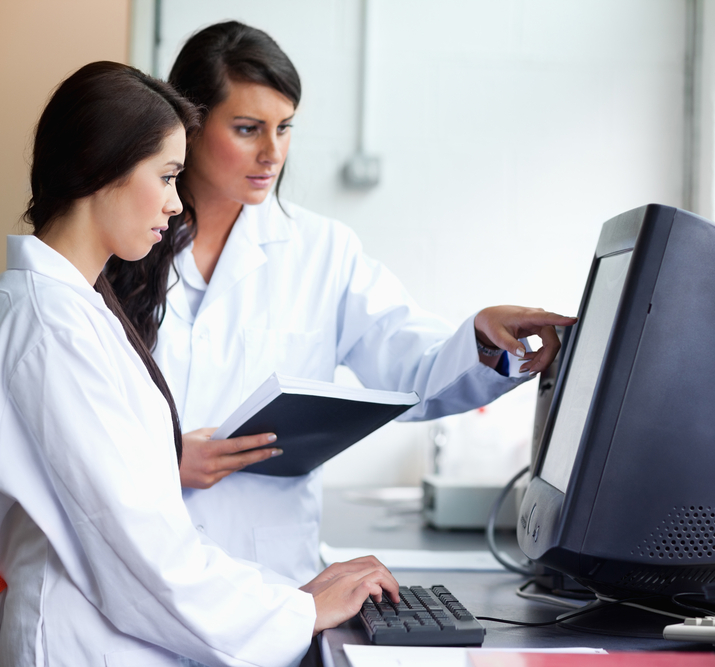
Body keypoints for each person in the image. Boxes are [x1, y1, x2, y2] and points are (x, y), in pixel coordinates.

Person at [107, 21, 576, 584]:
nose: (272, 152)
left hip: (266, 573)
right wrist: (162, 461)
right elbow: (70, 415)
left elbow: (412, 369)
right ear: (192, 123)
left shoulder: (322, 252)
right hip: (136, 560)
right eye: (248, 128)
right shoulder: (123, 244)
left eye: (285, 128)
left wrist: (480, 333)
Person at [0, 61, 400, 667]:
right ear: (100, 167)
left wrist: (284, 598)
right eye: (165, 177)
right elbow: (138, 550)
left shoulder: (75, 308)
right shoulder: (52, 327)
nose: (174, 203)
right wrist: (300, 609)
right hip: (78, 643)